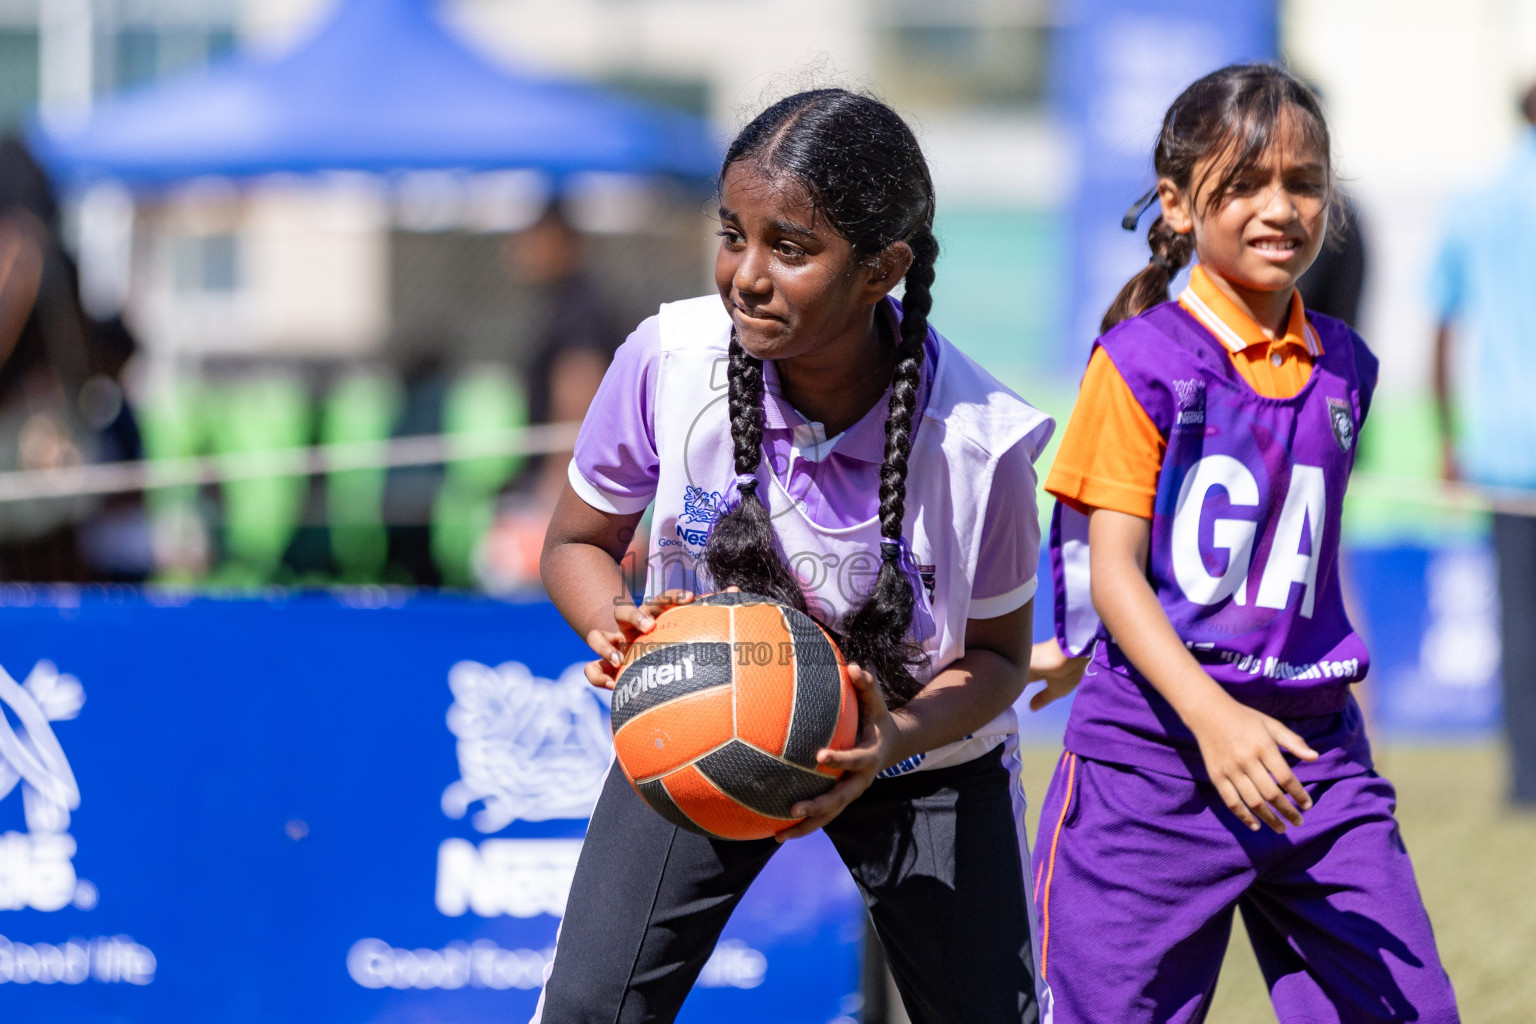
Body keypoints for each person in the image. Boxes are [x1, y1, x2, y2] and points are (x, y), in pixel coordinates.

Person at [535, 89, 1054, 1023]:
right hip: (703, 722)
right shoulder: (665, 360)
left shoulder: (983, 441)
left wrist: (888, 736)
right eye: (733, 234)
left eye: (791, 248)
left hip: (918, 758)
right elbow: (577, 542)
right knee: (585, 1012)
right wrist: (608, 618)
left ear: (882, 268)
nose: (747, 274)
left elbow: (998, 659)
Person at [1027, 64, 1459, 1023]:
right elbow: (1113, 573)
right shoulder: (1136, 364)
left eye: (1304, 183)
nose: (1281, 208)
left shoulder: (1349, 369)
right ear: (1179, 206)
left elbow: (1300, 564)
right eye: (1245, 185)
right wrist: (1212, 720)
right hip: (1152, 769)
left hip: (1313, 766)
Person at [1430, 83, 1536, 809]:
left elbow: (1444, 325)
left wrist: (1448, 435)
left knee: (1519, 620)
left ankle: (1527, 780)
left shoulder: (1478, 202)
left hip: (1503, 444)